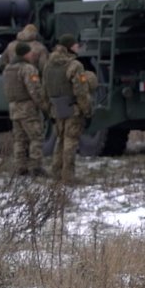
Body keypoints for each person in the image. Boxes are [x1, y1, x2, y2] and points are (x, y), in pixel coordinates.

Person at [43, 34, 94, 183]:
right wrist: (87, 109)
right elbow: (81, 91)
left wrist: (48, 108)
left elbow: (44, 89)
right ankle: (68, 176)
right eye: (75, 44)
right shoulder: (74, 65)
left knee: (60, 141)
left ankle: (56, 173)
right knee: (70, 142)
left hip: (57, 108)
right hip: (73, 108)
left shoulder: (48, 64)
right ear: (68, 47)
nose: (78, 46)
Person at [4, 42, 50, 177]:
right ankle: (36, 167)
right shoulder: (28, 69)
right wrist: (44, 107)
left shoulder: (8, 69)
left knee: (19, 139)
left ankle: (21, 167)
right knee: (36, 137)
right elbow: (35, 90)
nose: (32, 55)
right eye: (30, 53)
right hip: (27, 109)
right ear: (25, 54)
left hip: (14, 109)